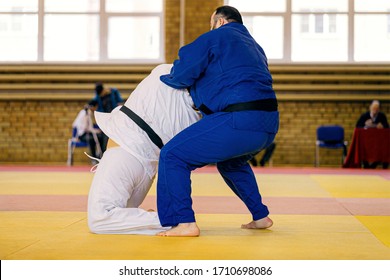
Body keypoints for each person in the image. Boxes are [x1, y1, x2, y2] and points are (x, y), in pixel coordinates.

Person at [156, 6, 279, 237]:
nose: (210, 28)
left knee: (172, 155)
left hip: (239, 120)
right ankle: (260, 216)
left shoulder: (217, 36)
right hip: (268, 124)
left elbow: (184, 71)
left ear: (220, 22)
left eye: (211, 23)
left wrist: (164, 76)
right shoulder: (255, 47)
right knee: (231, 163)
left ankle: (184, 222)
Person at [87, 64, 201, 235]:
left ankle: (174, 220)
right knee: (123, 215)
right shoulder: (199, 109)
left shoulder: (163, 72)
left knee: (100, 218)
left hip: (125, 151)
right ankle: (171, 220)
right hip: (148, 166)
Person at [356, 100, 389, 169]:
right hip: (367, 141)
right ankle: (366, 165)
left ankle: (374, 165)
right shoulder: (365, 116)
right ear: (370, 107)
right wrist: (365, 125)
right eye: (374, 108)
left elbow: (387, 127)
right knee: (364, 148)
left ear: (379, 109)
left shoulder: (382, 116)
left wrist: (382, 126)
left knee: (384, 147)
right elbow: (358, 127)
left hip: (379, 142)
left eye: (377, 109)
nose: (375, 110)